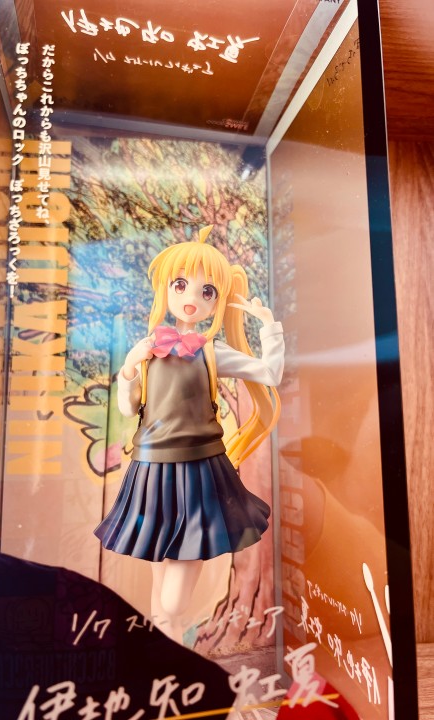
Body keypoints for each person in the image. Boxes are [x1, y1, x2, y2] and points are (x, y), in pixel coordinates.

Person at [95, 225, 285, 641]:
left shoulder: (212, 352)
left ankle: (169, 650)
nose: (192, 298)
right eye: (181, 285)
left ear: (216, 300)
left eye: (207, 291)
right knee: (159, 582)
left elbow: (269, 374)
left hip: (199, 469)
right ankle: (169, 659)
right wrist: (128, 368)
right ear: (165, 288)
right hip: (151, 469)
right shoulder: (148, 348)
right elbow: (129, 408)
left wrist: (271, 328)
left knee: (173, 594)